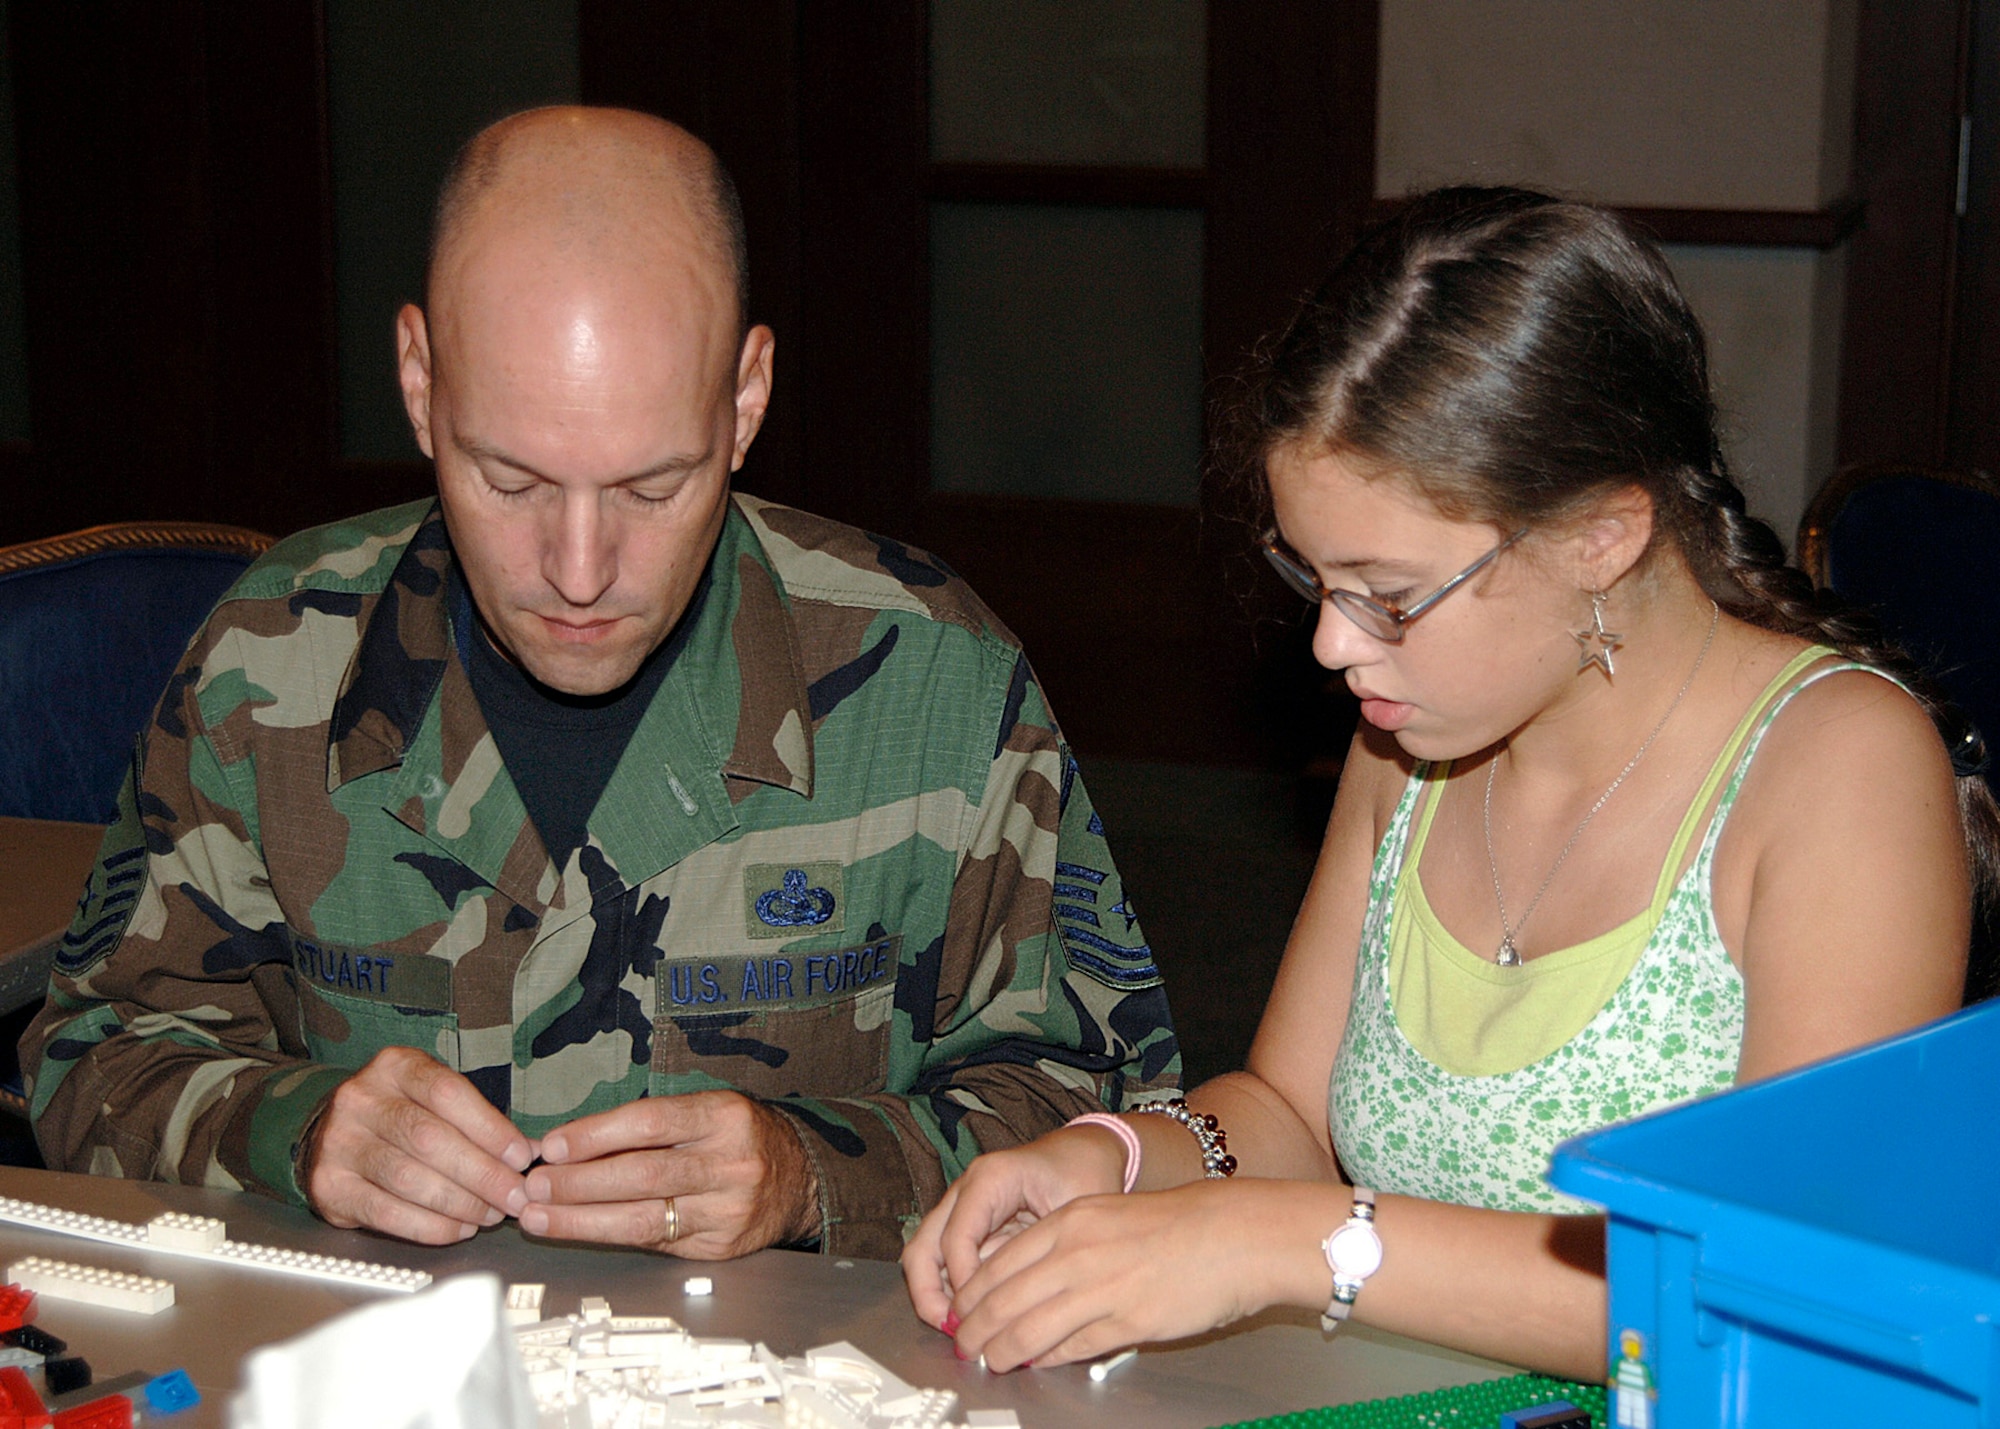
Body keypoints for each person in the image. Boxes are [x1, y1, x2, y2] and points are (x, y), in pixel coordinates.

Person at [22, 107, 1179, 1262]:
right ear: (419, 381)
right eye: (509, 480)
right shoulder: (269, 661)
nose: (579, 573)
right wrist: (297, 1130)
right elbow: (92, 1058)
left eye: (652, 486)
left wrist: (812, 1175)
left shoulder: (936, 684)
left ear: (746, 396)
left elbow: (1115, 1117)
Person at [902, 187, 1992, 1378]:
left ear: (1602, 535)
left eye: (1387, 592)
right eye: (1311, 577)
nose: (1328, 643)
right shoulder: (1408, 747)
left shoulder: (1837, 770)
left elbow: (1771, 1294)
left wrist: (1295, 1242)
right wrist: (1111, 1156)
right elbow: (1289, 1109)